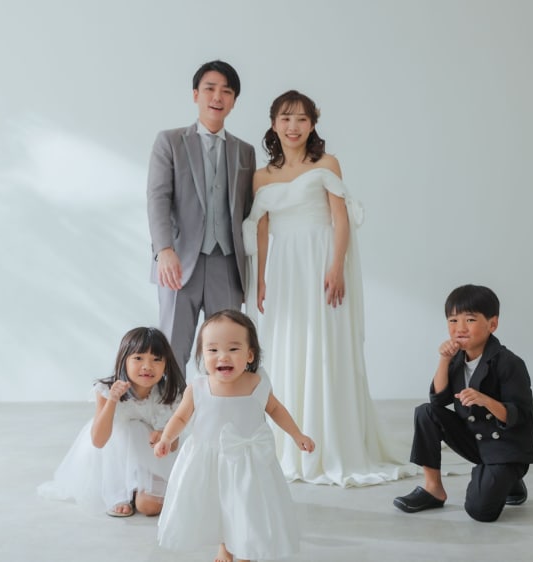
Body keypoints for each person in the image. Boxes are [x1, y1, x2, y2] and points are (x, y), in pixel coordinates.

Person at [242, 90, 415, 486]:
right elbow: (263, 229)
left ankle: (332, 440)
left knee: (325, 342)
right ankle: (290, 441)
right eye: (286, 118)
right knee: (288, 342)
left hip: (320, 260)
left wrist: (337, 266)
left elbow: (341, 219)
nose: (293, 126)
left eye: (302, 119)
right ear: (273, 124)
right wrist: (261, 279)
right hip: (285, 267)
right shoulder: (262, 176)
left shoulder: (327, 163)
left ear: (313, 124)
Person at [155, 310, 314, 562]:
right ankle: (225, 547)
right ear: (202, 355)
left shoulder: (257, 383)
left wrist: (297, 434)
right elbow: (181, 418)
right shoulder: (198, 388)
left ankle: (245, 549)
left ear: (249, 354)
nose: (223, 356)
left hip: (248, 461)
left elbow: (275, 409)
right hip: (210, 460)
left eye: (233, 348)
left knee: (246, 507)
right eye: (213, 350)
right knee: (219, 505)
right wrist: (166, 438)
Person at [147, 60, 256, 380]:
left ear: (234, 101)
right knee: (172, 347)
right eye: (210, 89)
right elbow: (157, 198)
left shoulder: (245, 152)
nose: (217, 97)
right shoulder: (170, 141)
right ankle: (171, 413)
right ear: (196, 94)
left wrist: (253, 272)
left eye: (226, 91)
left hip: (227, 265)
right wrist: (164, 250)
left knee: (227, 350)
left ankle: (222, 412)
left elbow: (249, 211)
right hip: (179, 262)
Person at [393, 285, 533, 522]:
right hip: (476, 440)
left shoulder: (509, 363)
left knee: (480, 511)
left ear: (492, 324)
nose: (460, 328)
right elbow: (438, 400)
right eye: (453, 320)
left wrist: (486, 400)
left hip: (507, 448)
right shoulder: (456, 359)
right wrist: (444, 360)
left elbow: (519, 416)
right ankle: (433, 489)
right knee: (426, 412)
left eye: (470, 320)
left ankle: (509, 478)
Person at [37, 327, 186, 517]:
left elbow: (173, 446)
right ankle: (121, 490)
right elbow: (99, 441)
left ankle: (137, 488)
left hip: (148, 458)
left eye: (156, 359)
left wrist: (164, 436)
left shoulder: (168, 394)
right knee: (127, 429)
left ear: (166, 364)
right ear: (124, 361)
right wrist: (112, 400)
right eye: (138, 358)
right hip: (112, 458)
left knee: (149, 507)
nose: (147, 366)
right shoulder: (107, 390)